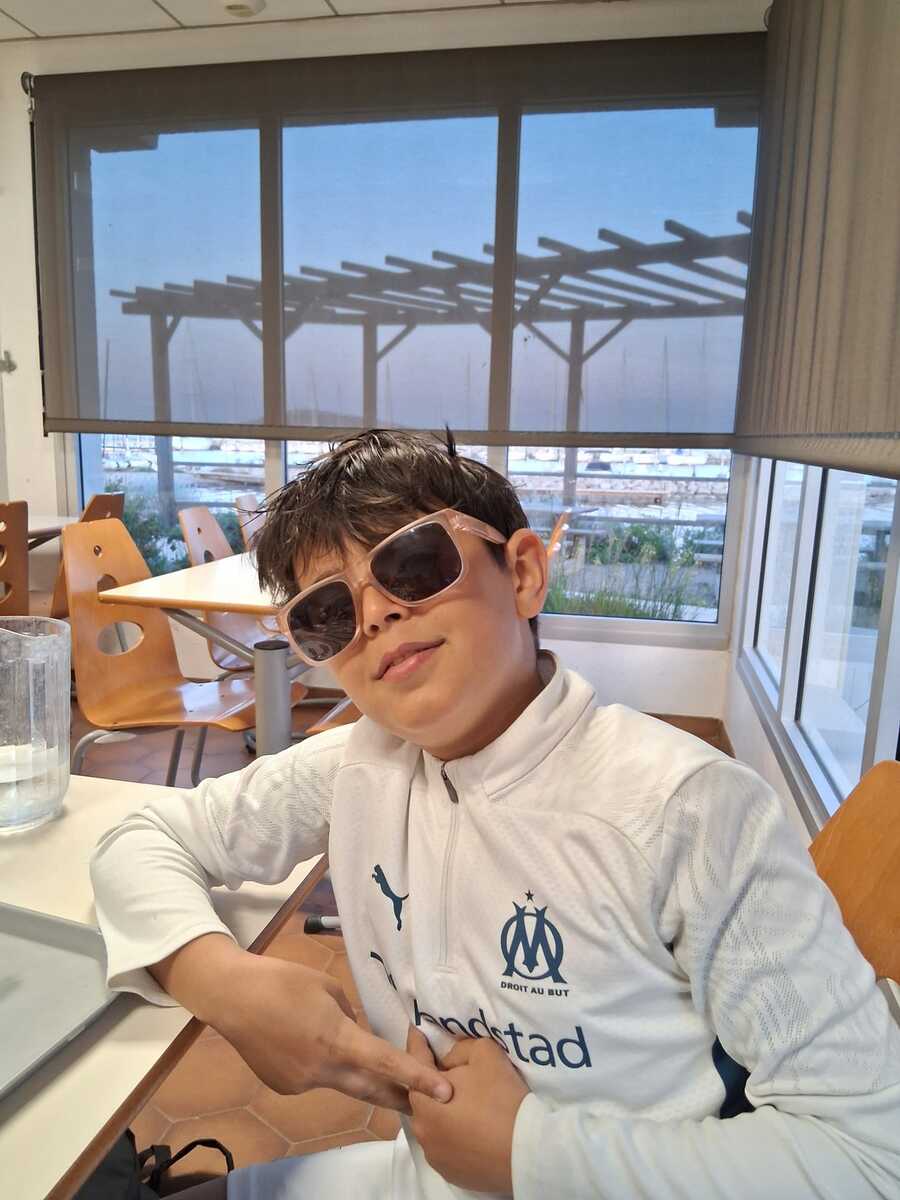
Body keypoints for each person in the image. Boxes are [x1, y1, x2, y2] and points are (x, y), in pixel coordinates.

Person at [90, 429, 900, 1200]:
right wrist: (223, 984)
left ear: (523, 575)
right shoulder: (357, 768)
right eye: (328, 613)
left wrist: (530, 1152)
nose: (374, 617)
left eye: (412, 564)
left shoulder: (690, 809)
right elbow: (141, 839)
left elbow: (870, 1156)